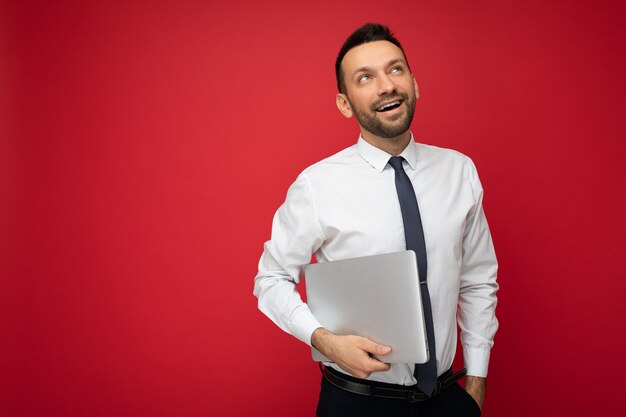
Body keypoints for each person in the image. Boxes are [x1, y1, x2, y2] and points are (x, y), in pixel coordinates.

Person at [253, 23, 498, 417]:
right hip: (356, 403)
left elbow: (477, 278)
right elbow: (270, 279)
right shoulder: (317, 185)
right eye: (365, 78)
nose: (386, 85)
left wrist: (477, 379)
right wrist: (322, 339)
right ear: (345, 104)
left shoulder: (460, 171)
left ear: (415, 85)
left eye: (395, 69)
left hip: (449, 399)